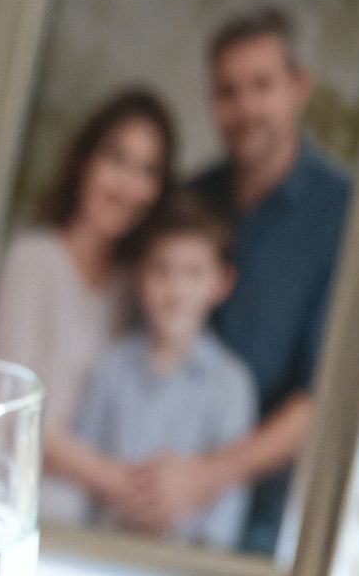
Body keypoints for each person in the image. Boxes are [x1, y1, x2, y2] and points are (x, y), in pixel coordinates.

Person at [129, 4, 352, 555]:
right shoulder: (189, 198)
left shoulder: (344, 213)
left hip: (269, 510)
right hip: (153, 478)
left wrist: (205, 477)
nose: (244, 107)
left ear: (299, 86)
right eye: (227, 92)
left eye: (261, 85)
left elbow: (326, 395)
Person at [0, 89, 175, 525]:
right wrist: (120, 481)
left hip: (90, 508)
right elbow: (13, 418)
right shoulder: (33, 259)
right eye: (117, 160)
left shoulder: (135, 287)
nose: (128, 186)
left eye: (147, 171)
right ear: (85, 161)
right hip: (11, 495)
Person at [69, 193, 257, 549]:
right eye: (162, 271)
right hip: (104, 552)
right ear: (140, 277)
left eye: (193, 274)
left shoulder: (232, 384)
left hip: (189, 566)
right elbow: (84, 474)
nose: (176, 290)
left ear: (221, 284)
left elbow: (229, 501)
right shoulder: (109, 368)